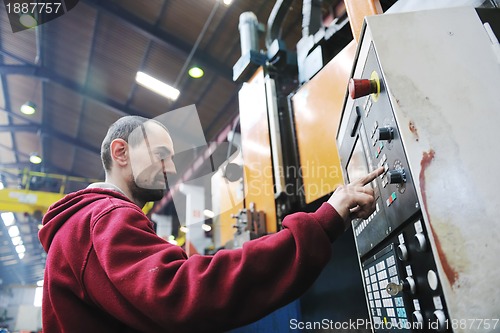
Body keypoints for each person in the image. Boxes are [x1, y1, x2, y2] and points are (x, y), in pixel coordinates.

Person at [39, 115, 383, 333]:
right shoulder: (104, 219)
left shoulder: (81, 227)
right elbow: (188, 293)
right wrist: (322, 222)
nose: (171, 168)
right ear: (121, 152)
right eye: (162, 155)